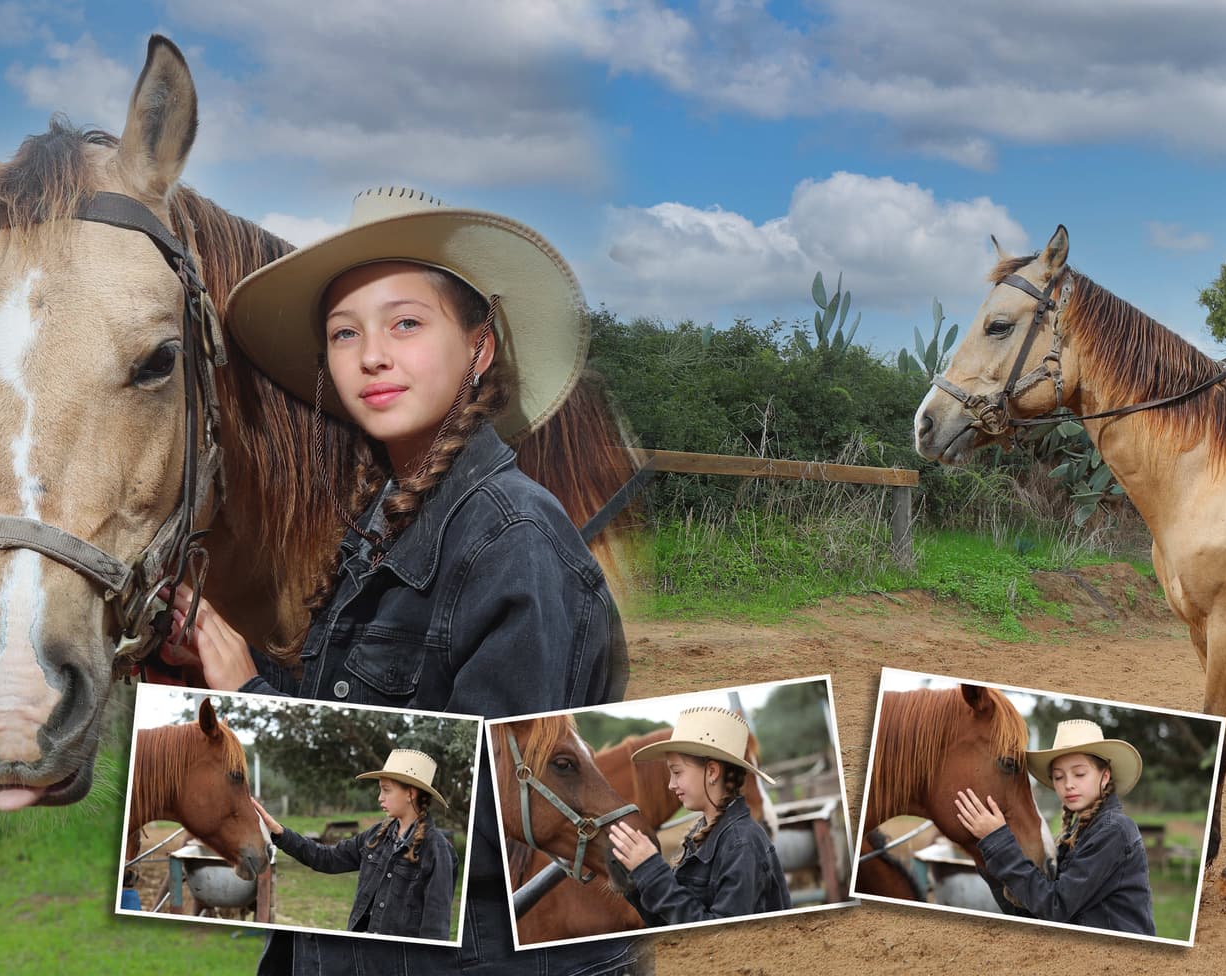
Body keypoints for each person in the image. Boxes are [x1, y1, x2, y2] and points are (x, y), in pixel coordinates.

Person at [164, 187, 637, 974]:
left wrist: (253, 694)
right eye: (344, 332)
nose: (370, 354)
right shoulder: (386, 521)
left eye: (406, 323)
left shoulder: (514, 538)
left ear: (479, 349)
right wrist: (231, 667)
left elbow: (497, 817)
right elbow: (381, 710)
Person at [956, 719, 1154, 936]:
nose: (1068, 784)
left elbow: (1055, 908)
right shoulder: (1074, 836)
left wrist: (999, 841)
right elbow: (1035, 914)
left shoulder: (1115, 830)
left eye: (1079, 774)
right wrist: (987, 851)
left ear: (1105, 776)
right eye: (1059, 777)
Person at [607, 708, 792, 924]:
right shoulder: (705, 834)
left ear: (712, 772)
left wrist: (652, 871)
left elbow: (721, 938)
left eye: (677, 772)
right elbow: (672, 922)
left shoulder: (741, 844)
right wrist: (636, 879)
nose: (670, 784)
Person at [253, 749, 456, 940]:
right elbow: (327, 858)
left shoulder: (437, 852)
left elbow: (435, 930)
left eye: (386, 790)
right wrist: (280, 832)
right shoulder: (376, 836)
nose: (380, 798)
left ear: (410, 793)